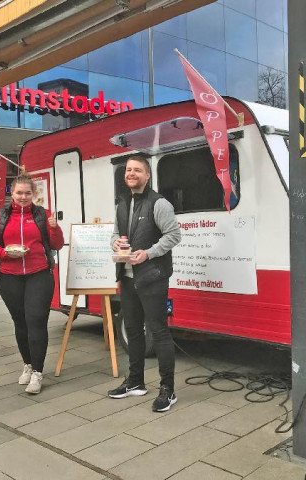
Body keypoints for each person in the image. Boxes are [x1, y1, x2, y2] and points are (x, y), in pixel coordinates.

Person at [108, 155, 181, 412]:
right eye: (128, 170)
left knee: (158, 332)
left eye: (137, 170)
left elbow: (174, 235)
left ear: (147, 175)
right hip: (127, 277)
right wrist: (115, 243)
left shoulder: (159, 203)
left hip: (152, 277)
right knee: (133, 330)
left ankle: (167, 390)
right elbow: (116, 234)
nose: (131, 173)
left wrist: (148, 253)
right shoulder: (122, 203)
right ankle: (136, 382)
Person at [0, 173, 63, 394]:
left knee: (36, 320)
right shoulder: (0, 215)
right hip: (9, 275)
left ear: (34, 194)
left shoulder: (43, 215)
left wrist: (54, 227)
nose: (23, 197)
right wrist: (4, 253)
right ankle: (27, 364)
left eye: (28, 193)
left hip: (39, 274)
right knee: (20, 323)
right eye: (19, 193)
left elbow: (57, 244)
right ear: (12, 193)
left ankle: (37, 372)